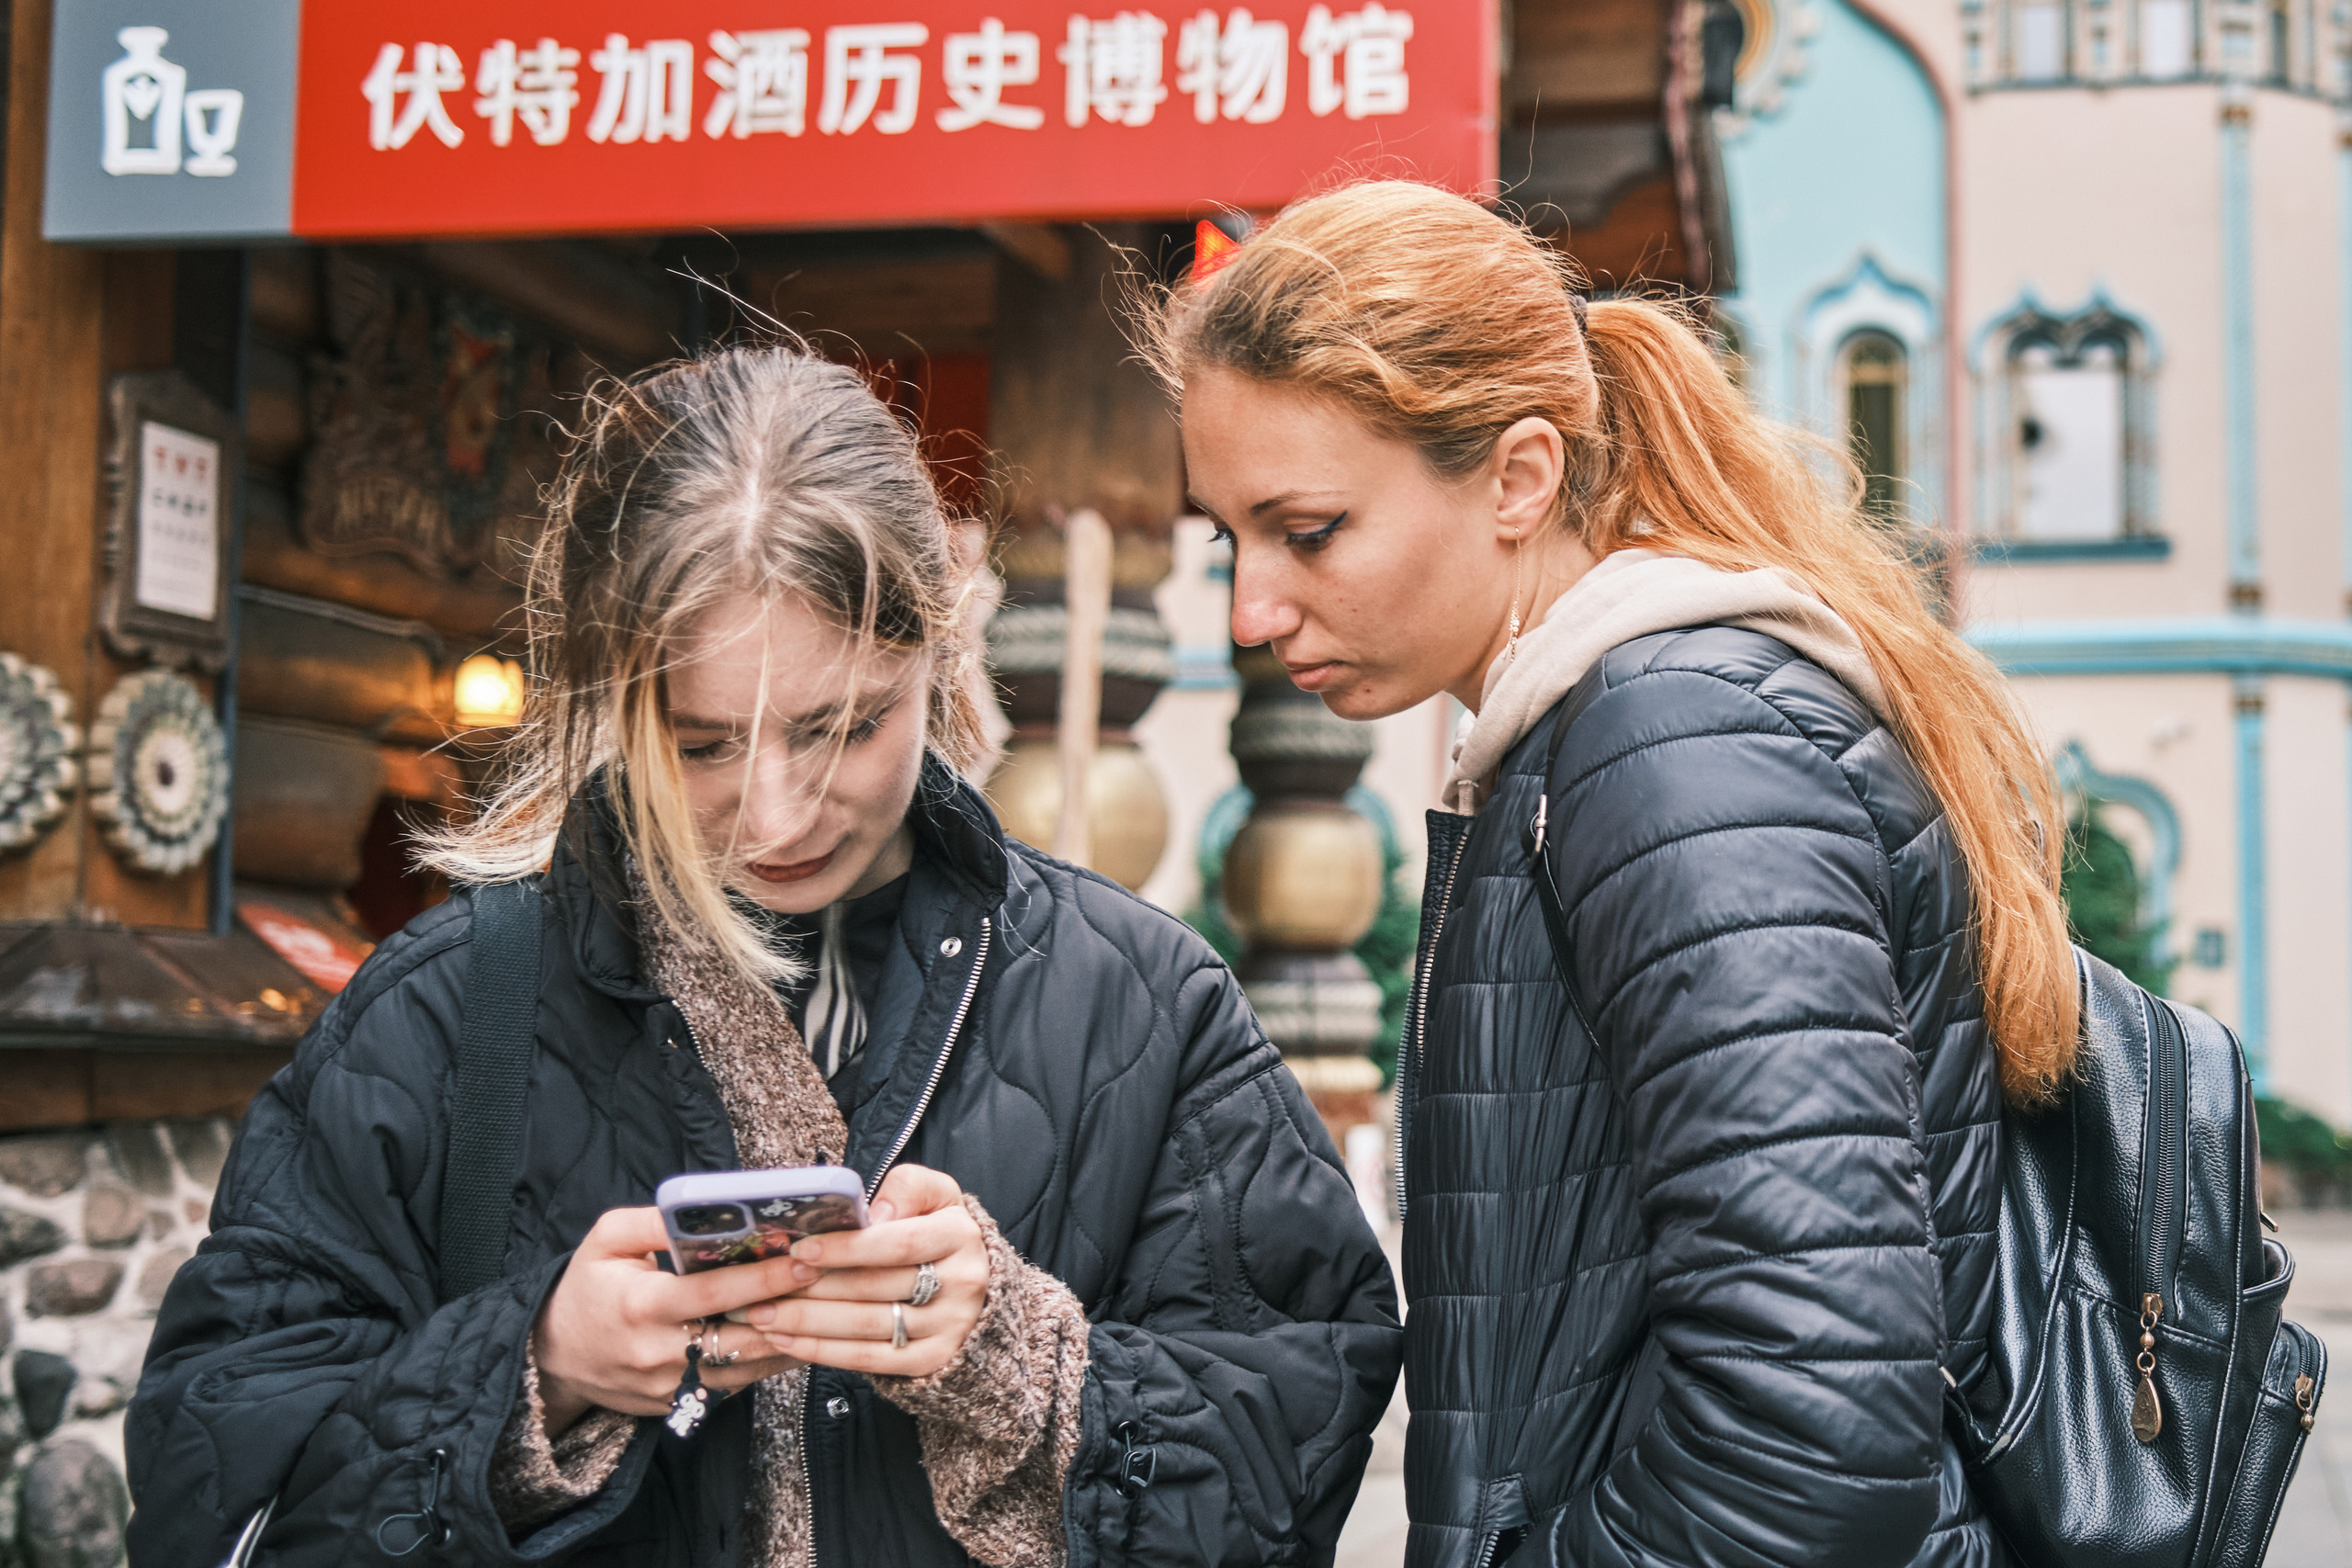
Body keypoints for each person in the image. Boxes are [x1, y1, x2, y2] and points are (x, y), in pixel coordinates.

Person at [128, 345, 1401, 1567]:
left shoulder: (1138, 1001)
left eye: (842, 726)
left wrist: (1014, 1352)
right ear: (601, 702)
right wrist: (535, 1372)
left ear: (938, 653)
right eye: (699, 745)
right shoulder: (439, 1016)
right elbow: (216, 1486)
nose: (780, 815)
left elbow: (1294, 1450)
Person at [1159, 181, 2078, 1568]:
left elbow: (1814, 1428)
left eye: (1310, 530)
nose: (1252, 606)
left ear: (1519, 478)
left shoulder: (1670, 748)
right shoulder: (1599, 736)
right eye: (1227, 536)